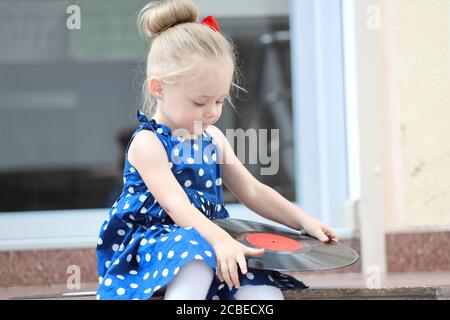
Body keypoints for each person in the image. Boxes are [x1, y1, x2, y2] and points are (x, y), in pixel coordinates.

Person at [96, 0, 338, 300]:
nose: (212, 112)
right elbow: (177, 207)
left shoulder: (212, 138)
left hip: (210, 241)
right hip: (152, 249)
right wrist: (220, 241)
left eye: (220, 101)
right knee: (195, 263)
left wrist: (303, 221)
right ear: (159, 89)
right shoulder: (148, 143)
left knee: (262, 291)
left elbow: (252, 190)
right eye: (201, 102)